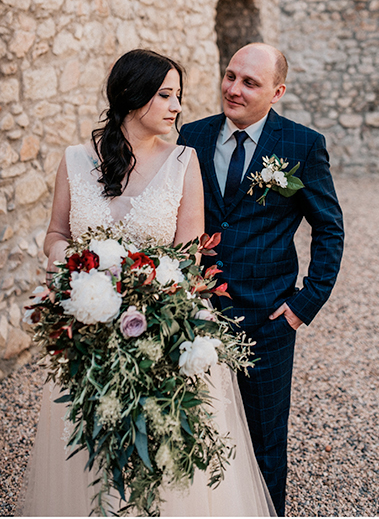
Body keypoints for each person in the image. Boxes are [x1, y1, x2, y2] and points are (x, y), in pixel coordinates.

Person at [21, 49, 276, 516]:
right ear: (132, 96)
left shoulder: (184, 160)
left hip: (162, 327)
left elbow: (190, 252)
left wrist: (148, 290)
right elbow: (56, 235)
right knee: (94, 451)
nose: (177, 107)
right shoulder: (76, 161)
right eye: (165, 95)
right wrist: (80, 266)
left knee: (164, 452)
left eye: (178, 96)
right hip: (91, 327)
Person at [178, 43, 344, 516]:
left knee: (264, 442)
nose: (233, 88)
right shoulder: (191, 135)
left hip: (267, 321)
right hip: (195, 316)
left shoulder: (301, 146)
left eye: (249, 82)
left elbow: (329, 228)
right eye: (230, 76)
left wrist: (302, 306)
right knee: (195, 429)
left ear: (277, 92)